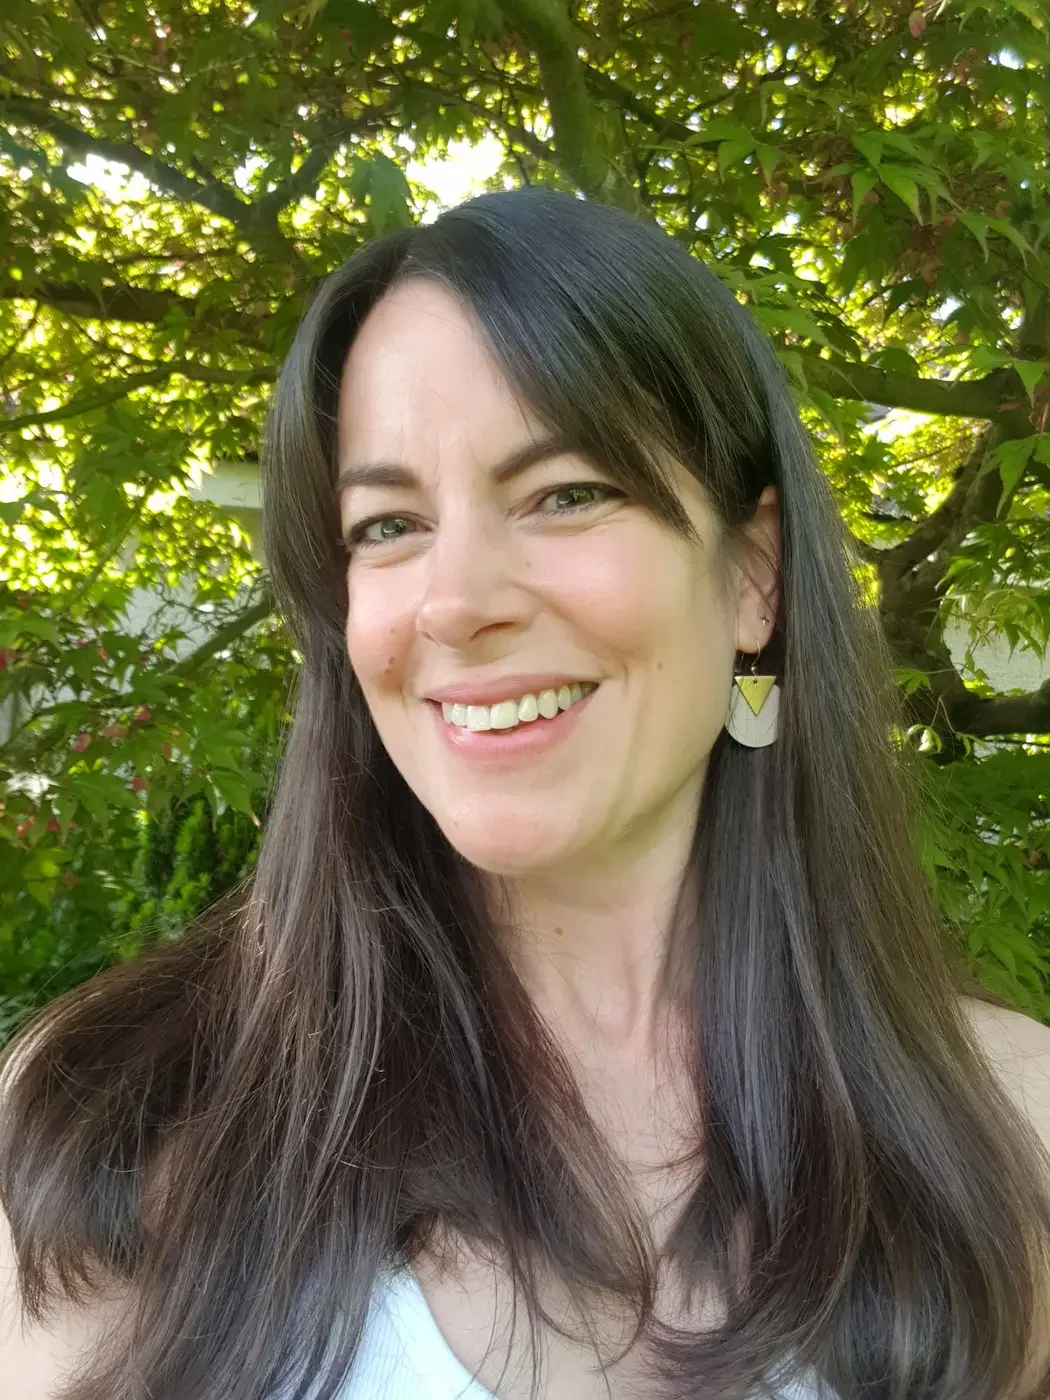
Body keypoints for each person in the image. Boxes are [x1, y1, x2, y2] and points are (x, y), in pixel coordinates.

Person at [2, 187, 1049, 1400]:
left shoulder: (1004, 1138)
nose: (456, 599)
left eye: (565, 492)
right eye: (387, 523)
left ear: (753, 574)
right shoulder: (115, 1127)